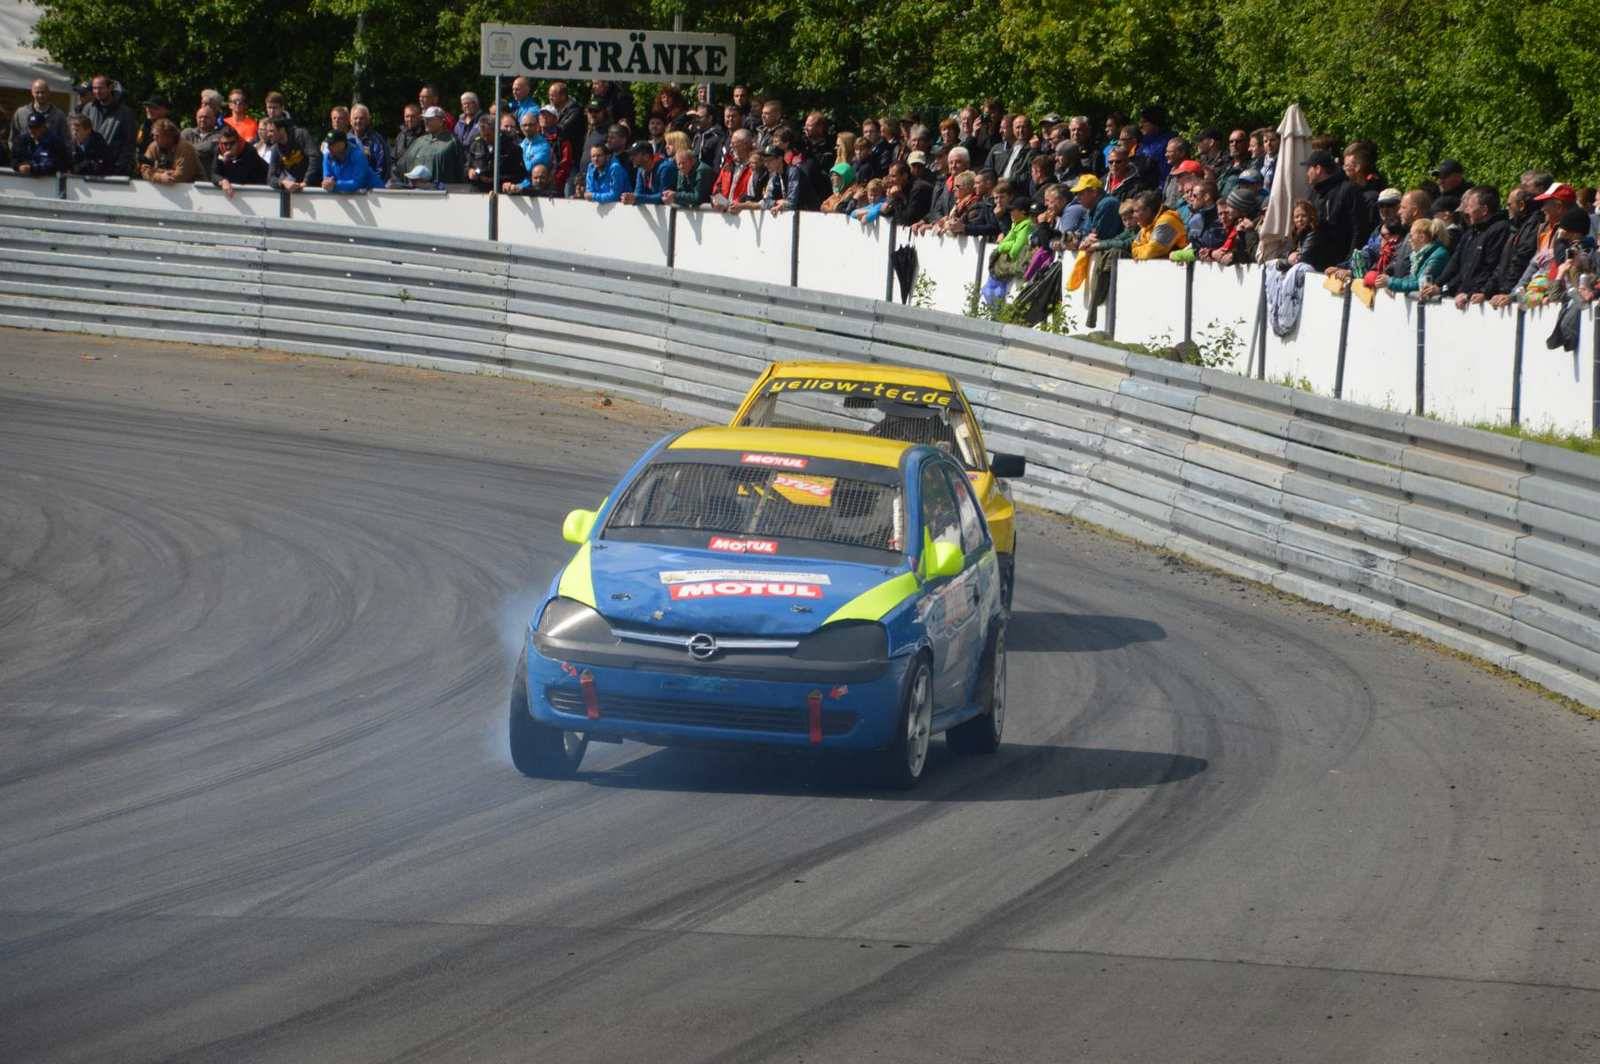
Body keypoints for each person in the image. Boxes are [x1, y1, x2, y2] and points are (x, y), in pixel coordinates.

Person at [1426, 186, 1510, 307]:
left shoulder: (1499, 230)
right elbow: (1456, 264)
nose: (1466, 211)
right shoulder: (1470, 233)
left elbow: (1491, 267)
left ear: (1484, 210)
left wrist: (1479, 292)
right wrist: (1438, 285)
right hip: (1464, 297)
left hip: (1481, 301)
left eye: (1470, 207)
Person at [1295, 149, 1364, 270]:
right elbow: (1305, 228)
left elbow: (1358, 229)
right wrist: (1295, 251)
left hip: (1338, 266)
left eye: (1309, 168)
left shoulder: (1348, 190)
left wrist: (1349, 264)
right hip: (1312, 264)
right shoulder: (1313, 193)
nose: (1307, 173)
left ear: (1318, 169)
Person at [390, 107, 464, 187]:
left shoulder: (452, 142)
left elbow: (460, 170)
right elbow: (400, 165)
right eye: (425, 119)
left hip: (442, 191)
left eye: (429, 119)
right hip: (415, 191)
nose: (426, 122)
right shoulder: (419, 141)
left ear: (441, 121)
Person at [1377, 218, 1450, 296]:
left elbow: (1421, 284)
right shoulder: (1419, 255)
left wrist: (1390, 282)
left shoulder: (1438, 256)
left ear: (1422, 237)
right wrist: (1392, 284)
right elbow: (1412, 279)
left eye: (1411, 236)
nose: (1409, 240)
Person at [83, 74, 136, 173]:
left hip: (114, 169)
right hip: (90, 168)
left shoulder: (126, 113)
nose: (97, 91)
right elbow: (81, 136)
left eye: (101, 88)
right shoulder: (88, 108)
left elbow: (129, 144)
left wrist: (119, 167)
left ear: (110, 88)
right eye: (94, 88)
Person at [1198, 187, 1261, 265]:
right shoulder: (1239, 224)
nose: (1228, 209)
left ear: (1240, 208)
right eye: (1220, 214)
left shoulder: (1255, 225)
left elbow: (1256, 254)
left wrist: (1249, 231)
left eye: (1230, 206)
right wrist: (1210, 253)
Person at [1129, 189, 1190, 260]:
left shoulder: (1166, 221)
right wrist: (1139, 252)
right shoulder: (1147, 225)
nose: (1133, 215)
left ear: (1148, 210)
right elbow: (1134, 248)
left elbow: (1151, 252)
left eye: (1136, 211)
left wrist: (1138, 252)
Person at [138, 118, 201, 183]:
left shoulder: (185, 148)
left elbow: (181, 176)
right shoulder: (154, 146)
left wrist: (155, 171)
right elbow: (144, 170)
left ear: (168, 136)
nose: (154, 138)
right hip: (164, 187)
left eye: (157, 136)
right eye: (153, 135)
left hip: (194, 187)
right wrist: (160, 177)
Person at [211, 123, 267, 195]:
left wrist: (228, 162)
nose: (228, 147)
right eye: (225, 143)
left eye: (232, 143)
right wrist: (222, 181)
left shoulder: (249, 151)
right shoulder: (219, 150)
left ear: (238, 141)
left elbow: (240, 178)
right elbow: (214, 174)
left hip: (258, 188)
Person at [710, 128, 760, 209]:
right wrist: (716, 200)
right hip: (726, 213)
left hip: (744, 212)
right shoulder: (728, 164)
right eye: (731, 143)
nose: (731, 146)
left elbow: (753, 193)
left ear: (745, 144)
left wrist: (739, 204)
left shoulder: (755, 166)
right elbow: (717, 187)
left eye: (734, 143)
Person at [11, 79, 68, 146]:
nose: (40, 95)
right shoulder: (21, 113)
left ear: (48, 93)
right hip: (26, 151)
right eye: (37, 92)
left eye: (43, 92)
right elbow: (13, 138)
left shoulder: (59, 115)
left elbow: (66, 140)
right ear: (32, 93)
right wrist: (16, 150)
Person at [10, 112, 69, 176]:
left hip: (48, 180)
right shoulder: (20, 140)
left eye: (36, 127)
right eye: (30, 127)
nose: (32, 130)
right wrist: (19, 166)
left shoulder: (55, 142)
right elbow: (14, 160)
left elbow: (57, 165)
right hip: (23, 179)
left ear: (44, 126)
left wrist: (33, 168)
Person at [621, 140, 676, 205]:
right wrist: (632, 198)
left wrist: (636, 198)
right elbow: (638, 193)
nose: (631, 158)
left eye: (635, 155)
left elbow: (664, 196)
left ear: (646, 156)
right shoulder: (641, 169)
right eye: (631, 155)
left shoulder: (665, 168)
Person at [182, 103, 226, 179]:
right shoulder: (187, 133)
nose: (202, 119)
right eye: (200, 117)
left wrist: (187, 149)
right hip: (186, 179)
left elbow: (208, 148)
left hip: (207, 180)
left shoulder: (219, 136)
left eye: (206, 117)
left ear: (214, 119)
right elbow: (179, 150)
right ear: (196, 118)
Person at [348, 105, 391, 183]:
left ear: (368, 120)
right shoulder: (345, 140)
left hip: (371, 187)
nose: (358, 121)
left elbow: (383, 168)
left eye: (362, 118)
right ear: (350, 121)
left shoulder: (377, 140)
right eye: (355, 118)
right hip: (349, 185)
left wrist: (375, 184)